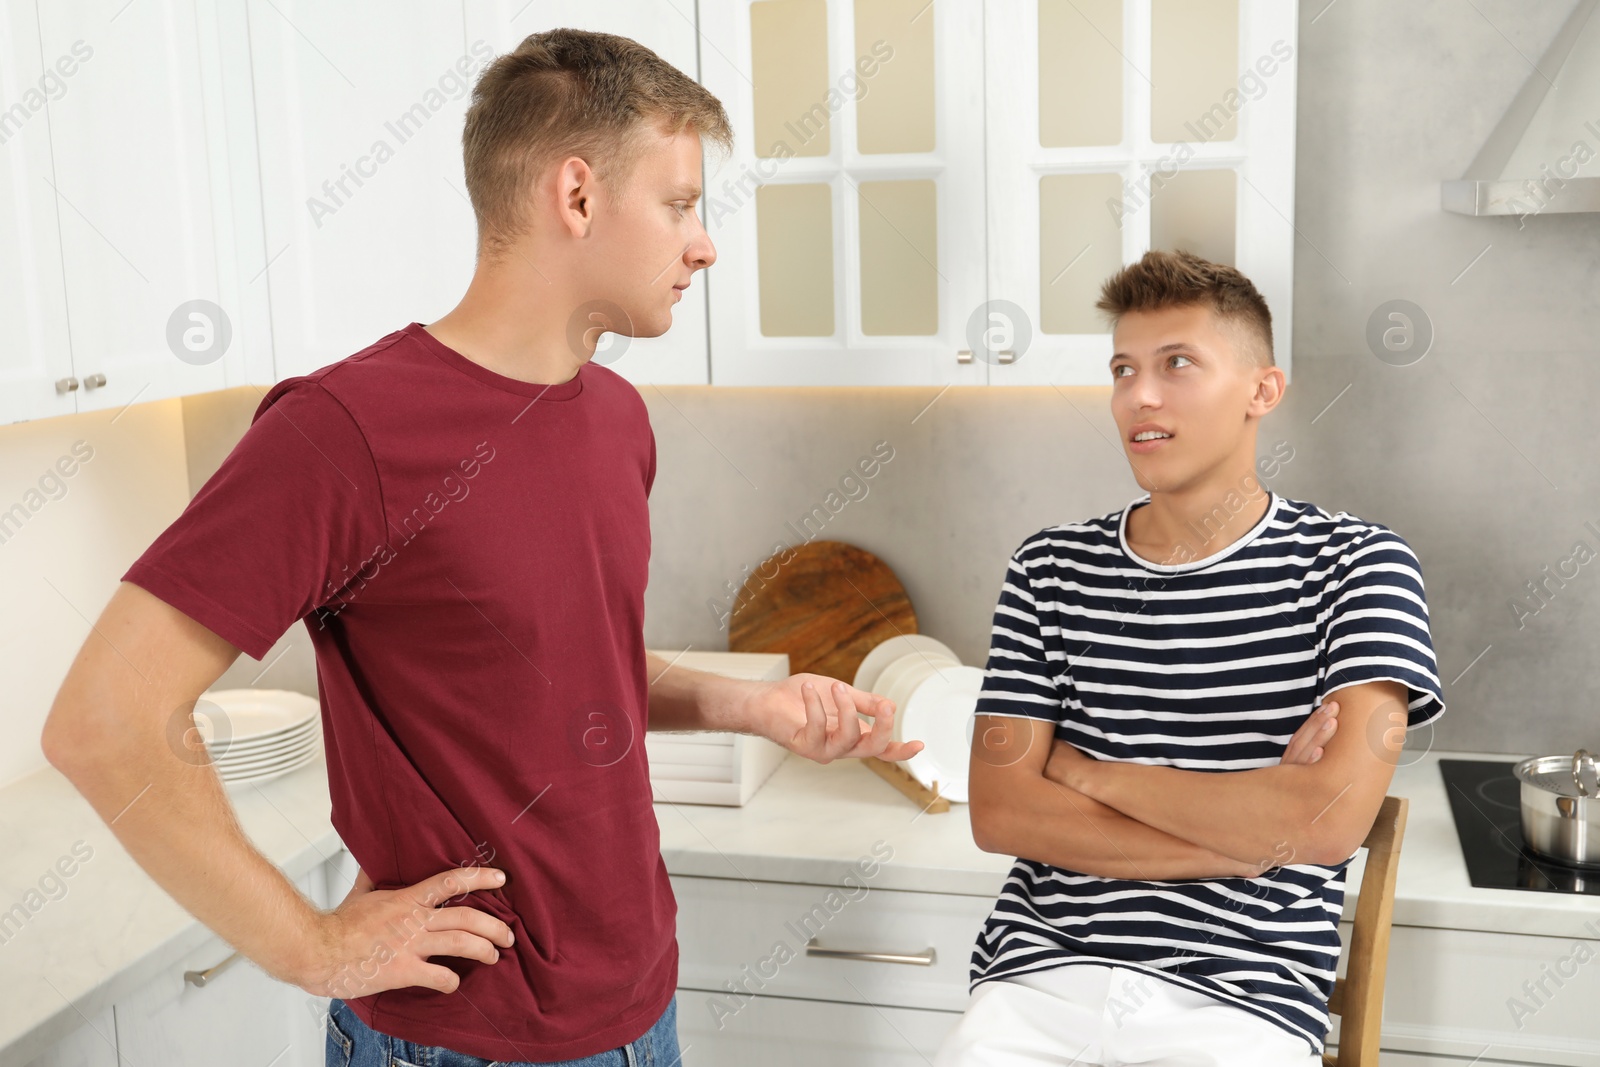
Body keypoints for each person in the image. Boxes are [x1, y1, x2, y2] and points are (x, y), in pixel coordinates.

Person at [40, 29, 921, 1067]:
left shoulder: (612, 418)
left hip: (641, 1008)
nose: (704, 243)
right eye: (680, 204)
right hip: (466, 1041)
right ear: (578, 195)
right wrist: (309, 944)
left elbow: (553, 673)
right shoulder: (344, 432)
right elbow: (105, 721)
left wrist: (751, 705)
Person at [938, 249, 1445, 1066]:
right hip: (1036, 987)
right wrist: (1251, 830)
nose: (1139, 395)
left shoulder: (1359, 564)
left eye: (1177, 364)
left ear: (1262, 391)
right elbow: (1002, 814)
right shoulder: (1048, 569)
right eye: (1122, 368)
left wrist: (1091, 774)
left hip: (1242, 1000)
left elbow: (1324, 821)